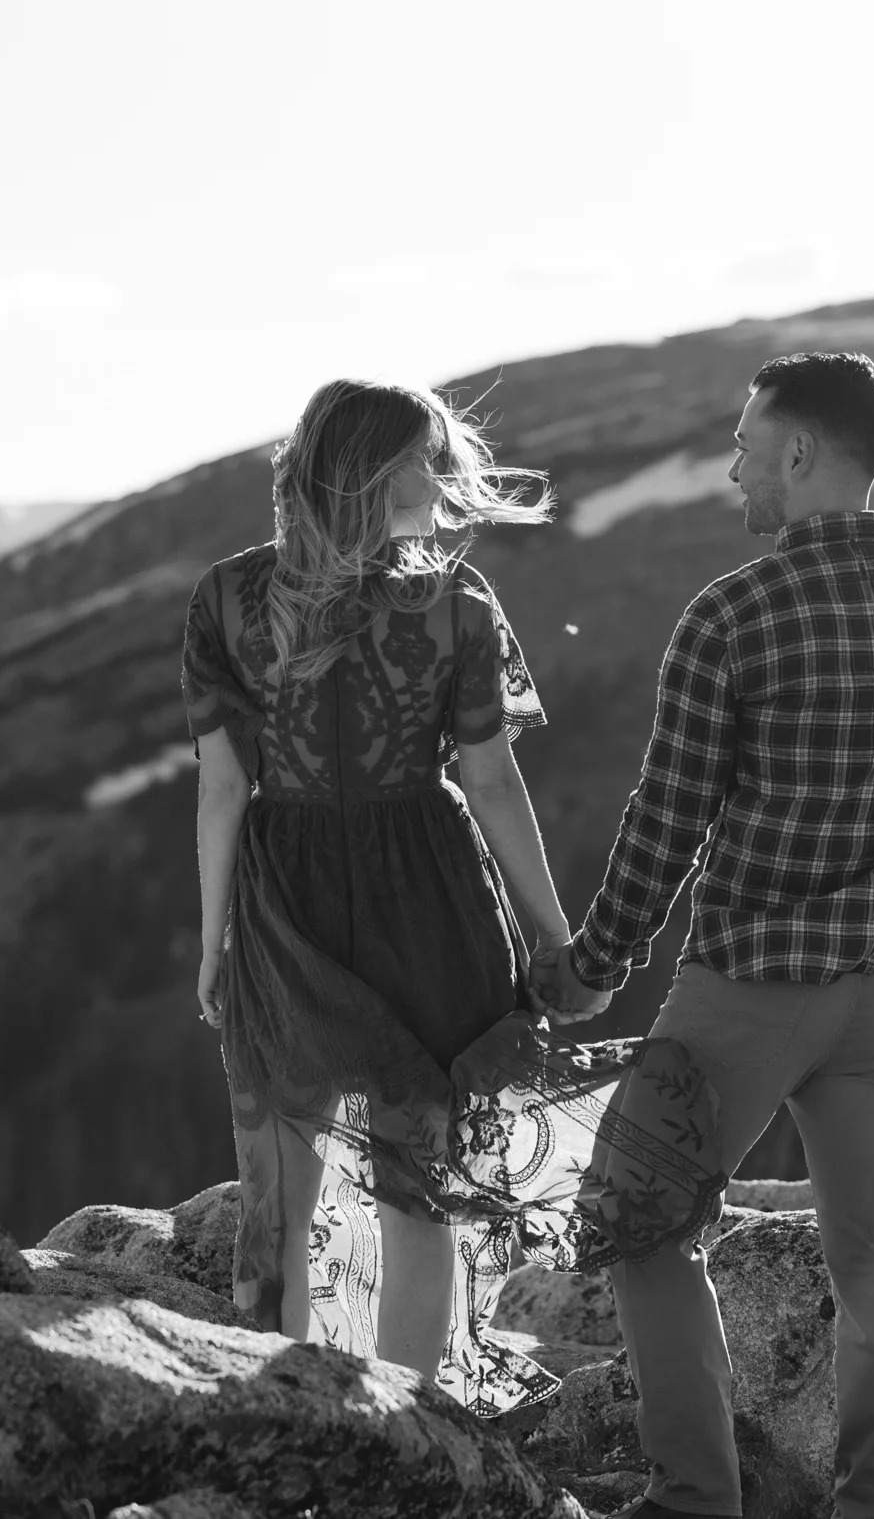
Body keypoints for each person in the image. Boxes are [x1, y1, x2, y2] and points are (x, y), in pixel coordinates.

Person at [535, 351, 874, 1519]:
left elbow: (665, 822)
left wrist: (591, 969)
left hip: (746, 990)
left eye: (748, 444)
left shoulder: (732, 613)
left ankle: (695, 1501)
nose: (734, 464)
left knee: (640, 1227)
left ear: (801, 454)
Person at [184, 378, 721, 1415]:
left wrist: (213, 942)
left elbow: (224, 787)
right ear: (377, 472)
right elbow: (490, 782)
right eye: (428, 458)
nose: (444, 479)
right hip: (428, 894)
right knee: (419, 1192)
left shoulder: (227, 598)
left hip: (281, 893)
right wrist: (553, 941)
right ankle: (404, 1432)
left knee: (278, 1200)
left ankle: (280, 1422)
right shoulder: (454, 605)